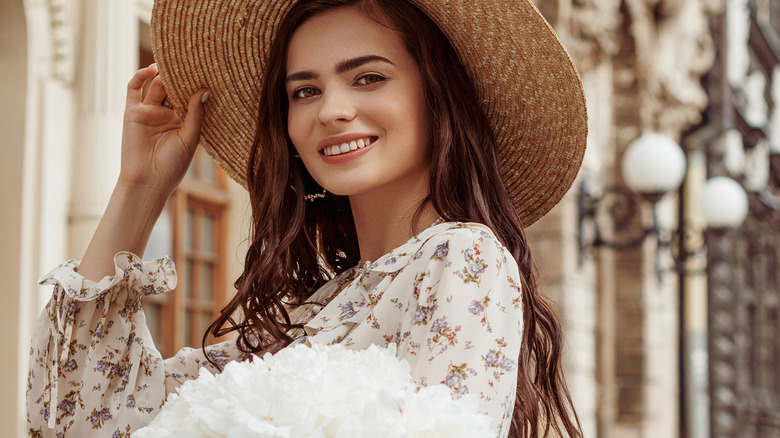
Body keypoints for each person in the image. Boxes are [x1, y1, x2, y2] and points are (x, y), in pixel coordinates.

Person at [26, 0, 587, 436]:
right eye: (305, 90)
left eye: (369, 77)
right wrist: (141, 187)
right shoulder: (311, 314)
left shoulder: (463, 257)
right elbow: (81, 417)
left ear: (437, 96)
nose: (332, 110)